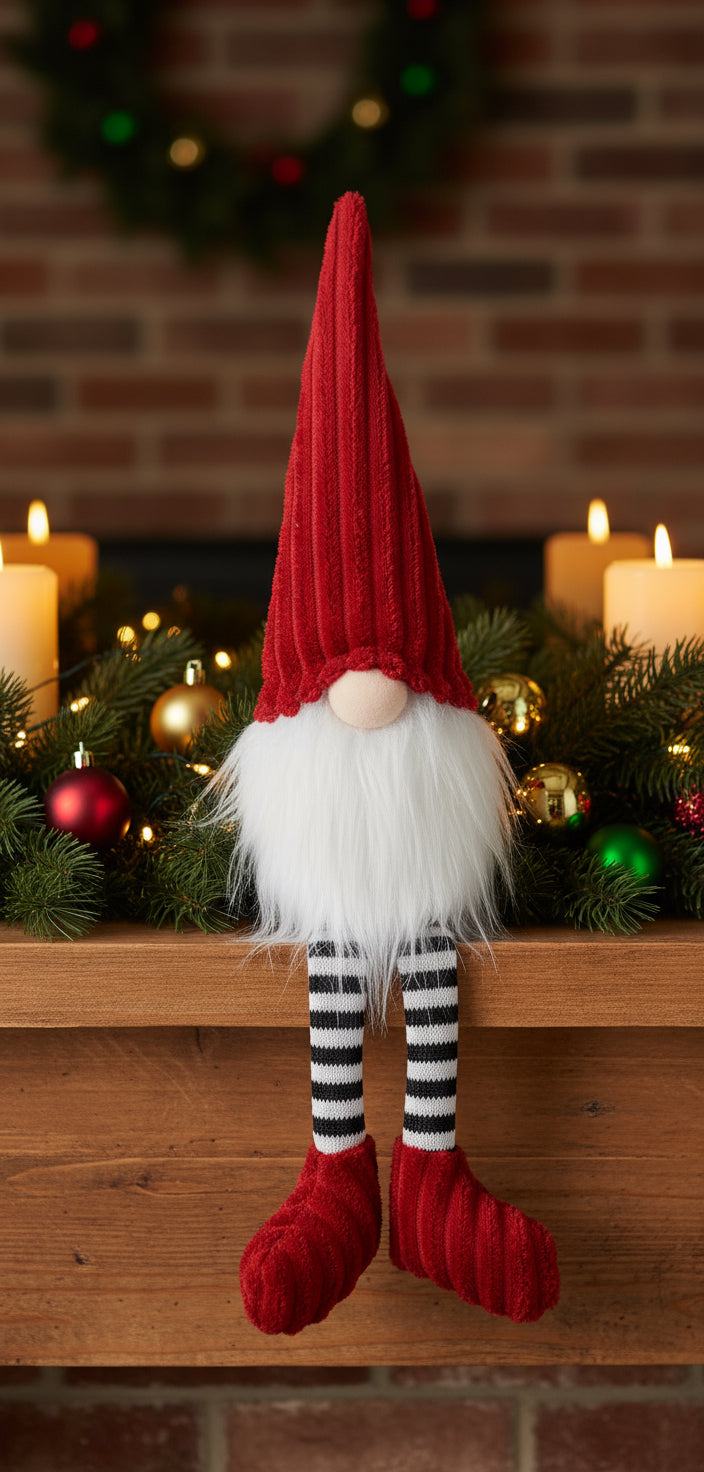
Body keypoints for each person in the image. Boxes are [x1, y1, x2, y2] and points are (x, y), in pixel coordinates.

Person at [211, 192, 560, 1336]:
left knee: (421, 952)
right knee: (338, 963)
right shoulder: (322, 794)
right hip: (349, 862)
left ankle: (426, 1172)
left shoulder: (411, 781)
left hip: (407, 872)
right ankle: (338, 1170)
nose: (369, 689)